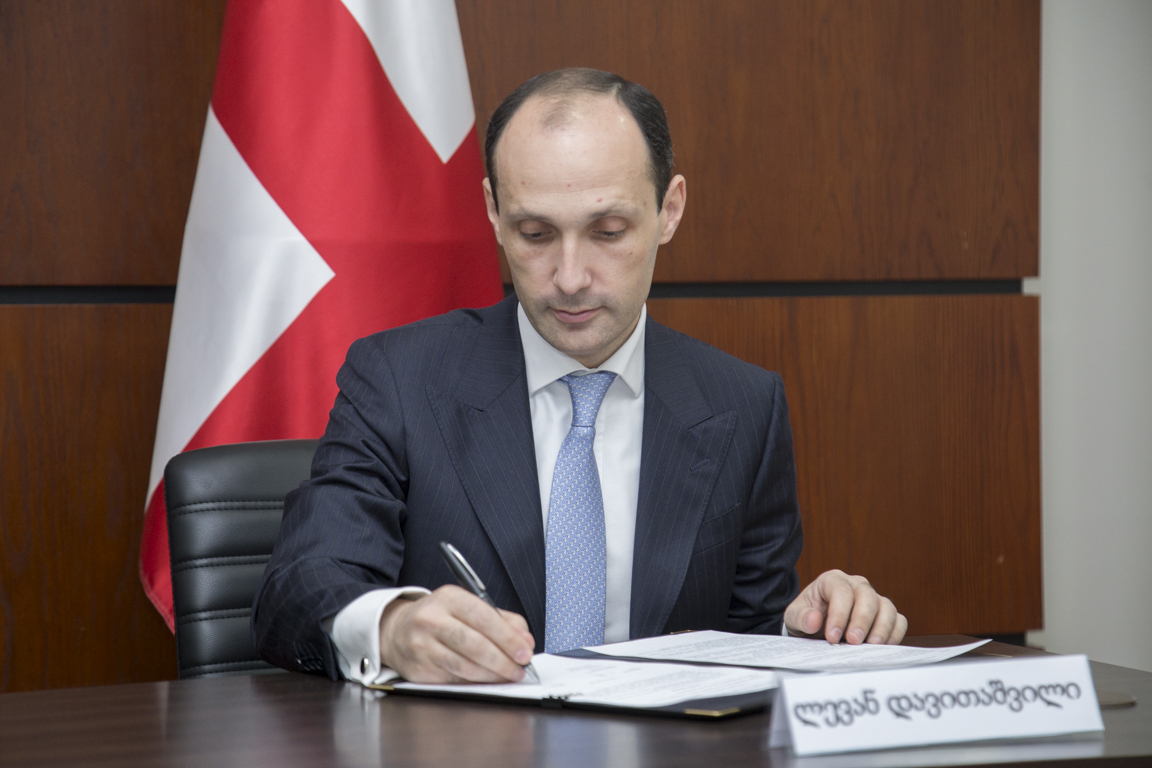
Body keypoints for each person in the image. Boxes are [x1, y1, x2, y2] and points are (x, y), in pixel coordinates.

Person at [252, 68, 907, 686]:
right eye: (535, 233)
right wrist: (392, 627)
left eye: (609, 231)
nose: (569, 278)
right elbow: (298, 586)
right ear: (493, 212)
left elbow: (748, 640)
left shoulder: (744, 405)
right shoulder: (399, 379)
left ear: (670, 209)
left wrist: (808, 631)